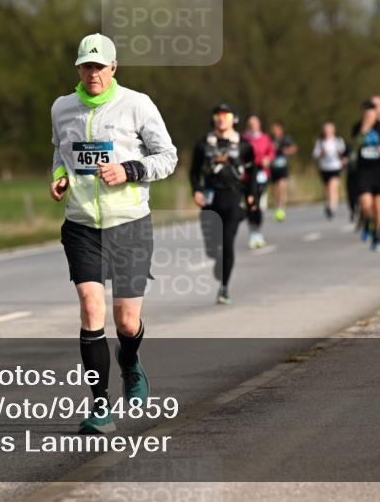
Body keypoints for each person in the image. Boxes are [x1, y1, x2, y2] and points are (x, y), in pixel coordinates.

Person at [49, 33, 177, 435]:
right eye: (86, 67)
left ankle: (131, 361)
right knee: (91, 309)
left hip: (130, 224)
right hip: (82, 224)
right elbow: (61, 152)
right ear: (79, 69)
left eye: (99, 67)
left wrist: (130, 170)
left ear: (113, 68)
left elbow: (167, 157)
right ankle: (101, 405)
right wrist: (58, 177)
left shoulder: (137, 105)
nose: (93, 74)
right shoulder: (62, 108)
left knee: (126, 320)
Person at [192, 104, 256, 306]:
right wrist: (196, 190)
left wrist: (251, 195)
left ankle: (224, 288)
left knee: (227, 243)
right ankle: (219, 260)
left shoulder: (244, 145)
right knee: (212, 249)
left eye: (226, 115)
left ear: (233, 119)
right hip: (210, 200)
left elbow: (252, 172)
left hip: (233, 200)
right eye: (218, 115)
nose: (221, 119)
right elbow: (194, 171)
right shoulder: (203, 144)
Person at [349, 100, 380, 251]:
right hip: (364, 171)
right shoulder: (358, 127)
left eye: (371, 113)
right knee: (366, 205)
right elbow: (353, 149)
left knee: (378, 205)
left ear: (377, 113)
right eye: (366, 114)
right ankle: (368, 221)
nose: (368, 116)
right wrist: (363, 130)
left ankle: (378, 235)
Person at [241, 115, 274, 249]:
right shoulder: (243, 138)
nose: (253, 126)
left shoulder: (265, 138)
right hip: (247, 176)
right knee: (250, 204)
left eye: (255, 123)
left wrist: (268, 159)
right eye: (251, 123)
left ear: (259, 124)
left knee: (259, 204)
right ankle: (253, 233)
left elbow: (271, 152)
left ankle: (258, 231)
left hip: (261, 174)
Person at [311, 123, 346, 220]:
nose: (327, 132)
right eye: (325, 130)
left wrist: (342, 157)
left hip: (335, 167)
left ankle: (332, 207)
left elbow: (344, 153)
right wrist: (322, 153)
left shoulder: (338, 141)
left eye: (329, 129)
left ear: (333, 130)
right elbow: (315, 156)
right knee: (327, 189)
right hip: (324, 168)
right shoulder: (320, 142)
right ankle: (329, 203)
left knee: (332, 187)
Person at [268, 122, 297, 221]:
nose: (275, 131)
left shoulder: (286, 138)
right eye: (273, 129)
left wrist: (287, 151)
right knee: (275, 189)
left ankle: (282, 208)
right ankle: (277, 207)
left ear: (281, 129)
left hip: (283, 167)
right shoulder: (270, 139)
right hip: (272, 167)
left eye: (276, 129)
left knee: (282, 187)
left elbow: (294, 148)